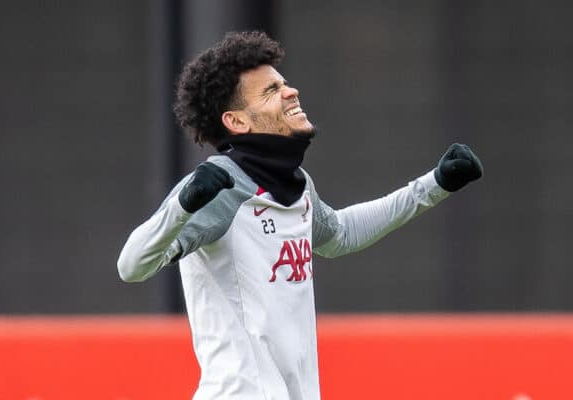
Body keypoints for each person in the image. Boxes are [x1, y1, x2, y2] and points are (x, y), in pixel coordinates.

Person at [117, 31, 482, 400]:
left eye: (283, 84)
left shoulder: (295, 185)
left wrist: (435, 184)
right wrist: (184, 205)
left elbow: (340, 235)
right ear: (237, 121)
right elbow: (132, 266)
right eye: (271, 91)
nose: (290, 92)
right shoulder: (216, 188)